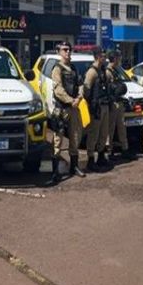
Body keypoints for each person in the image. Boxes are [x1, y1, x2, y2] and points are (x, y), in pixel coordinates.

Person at [48, 43, 85, 184]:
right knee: (58, 140)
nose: (68, 52)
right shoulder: (57, 69)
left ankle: (74, 166)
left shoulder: (74, 68)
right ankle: (55, 173)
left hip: (74, 108)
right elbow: (58, 90)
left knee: (75, 137)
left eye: (69, 50)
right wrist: (71, 101)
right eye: (65, 50)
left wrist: (79, 97)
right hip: (62, 109)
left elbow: (80, 84)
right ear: (59, 52)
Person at [82, 47, 113, 171]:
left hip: (105, 105)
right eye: (102, 55)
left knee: (103, 133)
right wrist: (91, 105)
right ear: (97, 56)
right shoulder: (92, 72)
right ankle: (90, 159)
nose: (104, 57)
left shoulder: (103, 71)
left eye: (105, 55)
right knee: (93, 134)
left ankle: (100, 156)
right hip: (96, 107)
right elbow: (86, 89)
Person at [105, 51, 131, 159]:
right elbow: (107, 90)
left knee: (121, 127)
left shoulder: (116, 70)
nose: (119, 60)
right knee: (110, 128)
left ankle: (125, 149)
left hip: (119, 102)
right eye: (118, 58)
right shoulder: (107, 72)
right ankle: (108, 151)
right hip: (112, 103)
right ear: (114, 59)